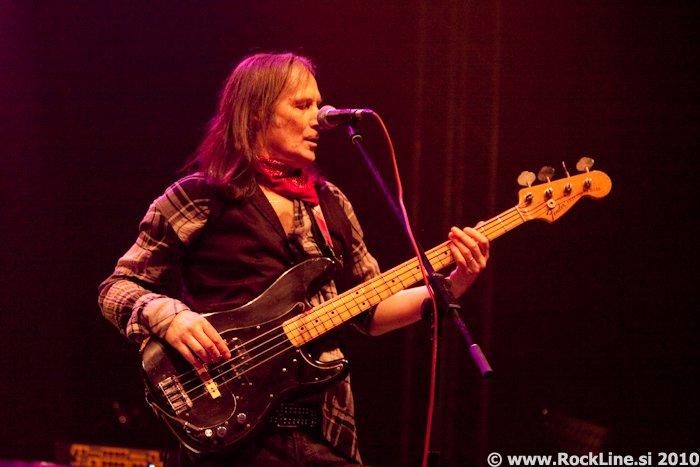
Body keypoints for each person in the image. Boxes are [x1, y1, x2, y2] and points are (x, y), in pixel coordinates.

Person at [98, 52, 489, 466]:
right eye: (302, 105)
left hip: (326, 433)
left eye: (318, 105)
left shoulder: (332, 204)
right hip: (233, 439)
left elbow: (371, 310)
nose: (319, 118)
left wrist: (453, 283)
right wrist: (171, 318)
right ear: (256, 114)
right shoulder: (201, 196)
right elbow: (117, 288)